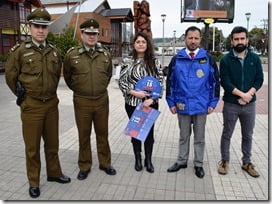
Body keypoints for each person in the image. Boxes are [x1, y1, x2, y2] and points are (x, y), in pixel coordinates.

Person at [5, 7, 71, 198]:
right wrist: (22, 97)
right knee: (32, 147)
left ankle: (54, 173)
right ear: (30, 28)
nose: (40, 30)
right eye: (36, 26)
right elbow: (10, 77)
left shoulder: (55, 52)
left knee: (52, 144)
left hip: (51, 105)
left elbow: (57, 74)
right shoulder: (20, 51)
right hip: (31, 106)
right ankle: (34, 181)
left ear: (47, 29)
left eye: (44, 27)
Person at [63, 18, 116, 180]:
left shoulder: (105, 54)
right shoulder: (72, 55)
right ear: (82, 34)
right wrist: (81, 90)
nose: (91, 37)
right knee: (83, 135)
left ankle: (105, 163)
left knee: (103, 133)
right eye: (88, 33)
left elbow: (108, 75)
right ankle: (84, 165)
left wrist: (98, 88)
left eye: (94, 34)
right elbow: (68, 77)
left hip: (101, 100)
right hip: (82, 101)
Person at [166, 26, 220, 178]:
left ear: (200, 40)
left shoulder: (207, 58)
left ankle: (198, 164)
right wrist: (171, 102)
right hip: (182, 104)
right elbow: (170, 81)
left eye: (196, 38)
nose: (193, 41)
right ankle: (182, 161)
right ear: (185, 39)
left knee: (199, 137)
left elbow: (215, 82)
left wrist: (212, 103)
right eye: (190, 38)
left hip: (201, 105)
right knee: (184, 136)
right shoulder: (177, 58)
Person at [217, 26, 264, 177]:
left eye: (242, 38)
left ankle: (246, 162)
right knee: (227, 134)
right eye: (236, 39)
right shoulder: (225, 60)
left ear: (247, 40)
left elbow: (259, 79)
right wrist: (241, 95)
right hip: (231, 103)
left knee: (248, 135)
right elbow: (225, 81)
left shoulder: (255, 58)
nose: (239, 41)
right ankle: (224, 161)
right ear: (231, 41)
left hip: (250, 104)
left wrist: (248, 95)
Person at [118, 32, 164, 173]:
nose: (140, 44)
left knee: (149, 132)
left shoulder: (154, 61)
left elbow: (161, 81)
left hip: (150, 103)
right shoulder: (127, 61)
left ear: (147, 44)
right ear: (134, 44)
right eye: (138, 42)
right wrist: (134, 93)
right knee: (135, 131)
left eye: (143, 42)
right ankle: (138, 158)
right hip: (132, 103)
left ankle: (148, 160)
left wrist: (152, 99)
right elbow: (121, 81)